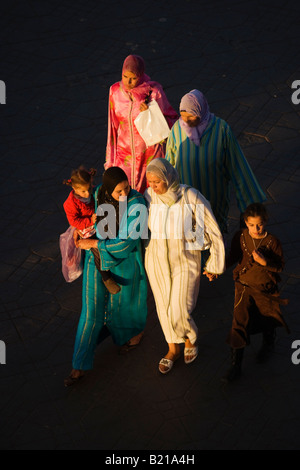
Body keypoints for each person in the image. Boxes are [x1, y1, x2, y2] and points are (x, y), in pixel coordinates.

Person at [64, 167, 148, 386]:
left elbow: (126, 243)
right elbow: (88, 218)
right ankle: (78, 365)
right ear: (108, 188)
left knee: (124, 305)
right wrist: (81, 230)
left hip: (125, 262)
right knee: (90, 310)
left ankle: (132, 334)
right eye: (119, 191)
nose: (124, 194)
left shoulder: (137, 204)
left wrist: (92, 243)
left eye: (126, 188)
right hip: (96, 259)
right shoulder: (100, 193)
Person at [144, 158, 225, 374]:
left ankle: (190, 338)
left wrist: (214, 263)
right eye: (150, 181)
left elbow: (212, 229)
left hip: (185, 260)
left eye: (157, 182)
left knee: (180, 307)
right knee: (163, 307)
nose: (153, 186)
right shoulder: (149, 197)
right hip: (156, 261)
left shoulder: (190, 196)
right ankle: (172, 349)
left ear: (168, 177)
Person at [165, 89, 266, 234]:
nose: (186, 121)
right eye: (183, 116)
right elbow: (169, 164)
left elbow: (237, 165)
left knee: (214, 242)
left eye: (191, 116)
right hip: (186, 202)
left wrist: (249, 204)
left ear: (201, 111)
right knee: (192, 245)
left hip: (214, 200)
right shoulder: (177, 129)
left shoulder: (221, 130)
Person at [222, 203, 289, 383]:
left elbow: (280, 267)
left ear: (265, 221)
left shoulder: (272, 242)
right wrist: (217, 269)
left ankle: (268, 344)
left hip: (265, 288)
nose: (255, 229)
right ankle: (236, 366)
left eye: (259, 224)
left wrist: (264, 262)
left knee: (267, 318)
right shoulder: (241, 237)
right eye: (251, 225)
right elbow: (234, 257)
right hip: (243, 287)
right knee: (239, 323)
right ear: (245, 222)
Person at [105, 54, 178, 194]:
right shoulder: (114, 91)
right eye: (125, 77)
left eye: (133, 77)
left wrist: (151, 109)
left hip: (150, 154)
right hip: (124, 155)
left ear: (141, 74)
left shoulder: (153, 91)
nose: (129, 82)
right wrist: (110, 160)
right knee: (125, 194)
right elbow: (112, 126)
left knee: (151, 194)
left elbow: (171, 119)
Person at [63, 166, 121, 295]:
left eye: (89, 188)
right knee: (96, 250)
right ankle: (106, 277)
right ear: (74, 188)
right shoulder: (71, 203)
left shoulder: (93, 191)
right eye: (83, 191)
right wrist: (90, 220)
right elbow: (74, 221)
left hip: (96, 224)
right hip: (85, 230)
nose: (88, 193)